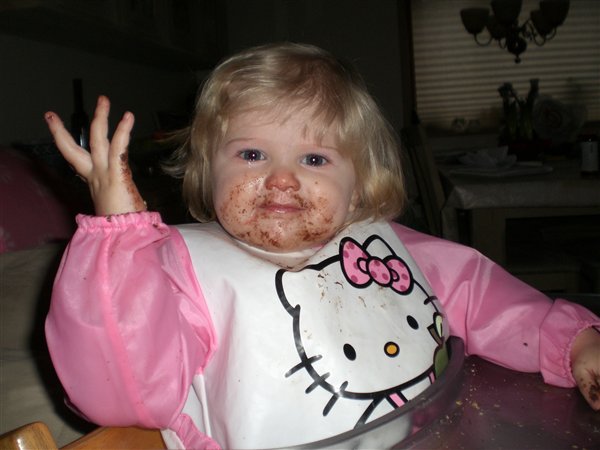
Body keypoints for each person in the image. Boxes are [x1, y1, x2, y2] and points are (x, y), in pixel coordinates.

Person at [44, 43, 600, 449]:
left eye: (314, 159)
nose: (282, 179)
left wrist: (571, 342)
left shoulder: (386, 247)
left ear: (358, 184)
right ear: (207, 172)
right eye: (252, 155)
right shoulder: (179, 273)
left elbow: (482, 297)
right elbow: (120, 392)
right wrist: (120, 241)